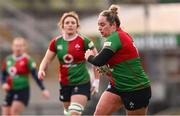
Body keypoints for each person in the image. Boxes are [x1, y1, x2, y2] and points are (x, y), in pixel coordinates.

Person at [85, 5, 151, 115]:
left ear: (113, 25)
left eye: (102, 24)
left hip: (135, 88)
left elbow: (98, 61)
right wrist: (108, 70)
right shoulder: (119, 36)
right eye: (98, 25)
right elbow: (117, 63)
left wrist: (89, 56)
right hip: (117, 87)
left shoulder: (116, 37)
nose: (99, 28)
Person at [38, 11, 99, 115]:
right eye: (67, 23)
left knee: (74, 112)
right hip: (64, 83)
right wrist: (41, 70)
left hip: (82, 82)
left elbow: (97, 60)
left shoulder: (84, 41)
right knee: (68, 112)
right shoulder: (56, 42)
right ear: (62, 26)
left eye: (73, 22)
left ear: (77, 26)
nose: (70, 25)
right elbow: (46, 59)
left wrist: (97, 80)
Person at [1, 37, 50, 115]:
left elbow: (35, 75)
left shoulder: (27, 60)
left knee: (14, 112)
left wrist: (43, 89)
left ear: (24, 47)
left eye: (20, 46)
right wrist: (4, 83)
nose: (18, 48)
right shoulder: (8, 60)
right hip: (10, 90)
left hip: (22, 90)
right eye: (16, 46)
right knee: (5, 113)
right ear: (12, 47)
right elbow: (3, 74)